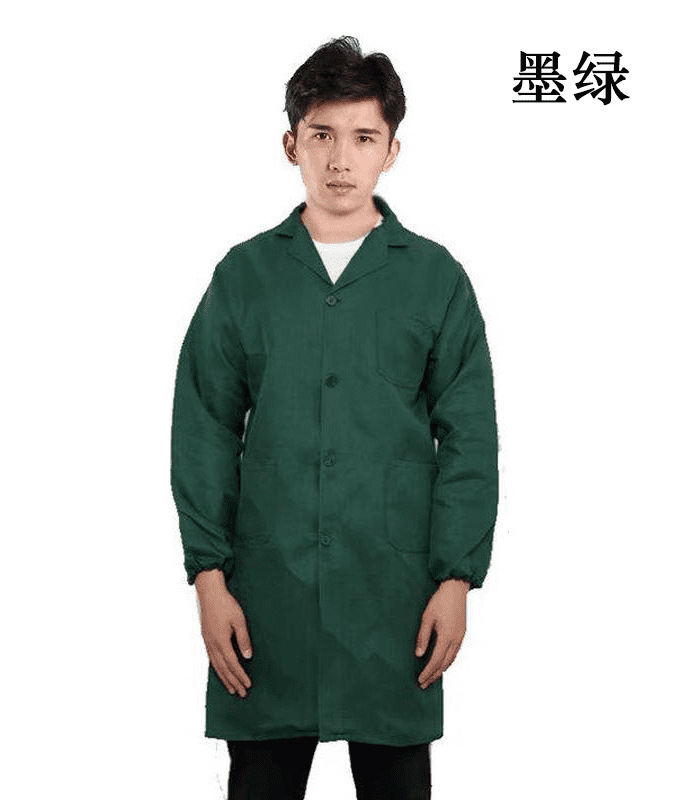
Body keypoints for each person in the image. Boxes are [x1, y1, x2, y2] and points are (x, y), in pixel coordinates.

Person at [170, 35, 499, 800]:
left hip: (394, 597)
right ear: (291, 144)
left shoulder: (436, 279)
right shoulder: (245, 276)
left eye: (363, 137)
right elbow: (205, 426)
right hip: (267, 600)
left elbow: (469, 438)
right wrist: (209, 579)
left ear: (392, 150)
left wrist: (456, 579)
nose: (341, 159)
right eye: (321, 134)